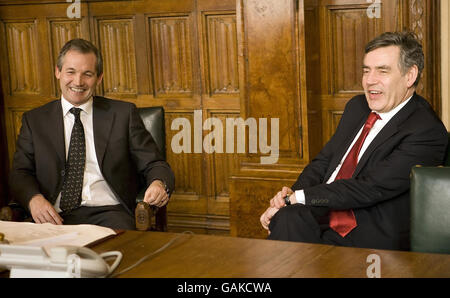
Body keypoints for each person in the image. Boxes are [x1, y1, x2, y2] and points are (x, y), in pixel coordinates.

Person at [260, 32, 448, 250]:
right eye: (366, 70)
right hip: (322, 211)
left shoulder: (426, 130)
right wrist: (289, 197)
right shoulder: (357, 107)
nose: (369, 80)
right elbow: (323, 162)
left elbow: (368, 187)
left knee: (288, 229)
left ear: (410, 76)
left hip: (365, 231)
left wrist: (297, 199)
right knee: (288, 219)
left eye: (382, 71)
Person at [9, 38, 175, 230]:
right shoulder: (35, 120)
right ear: (58, 72)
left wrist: (157, 183)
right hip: (53, 216)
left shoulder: (123, 115)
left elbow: (155, 164)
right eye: (70, 72)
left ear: (99, 78)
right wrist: (34, 200)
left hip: (110, 214)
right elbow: (20, 172)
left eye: (87, 74)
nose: (78, 82)